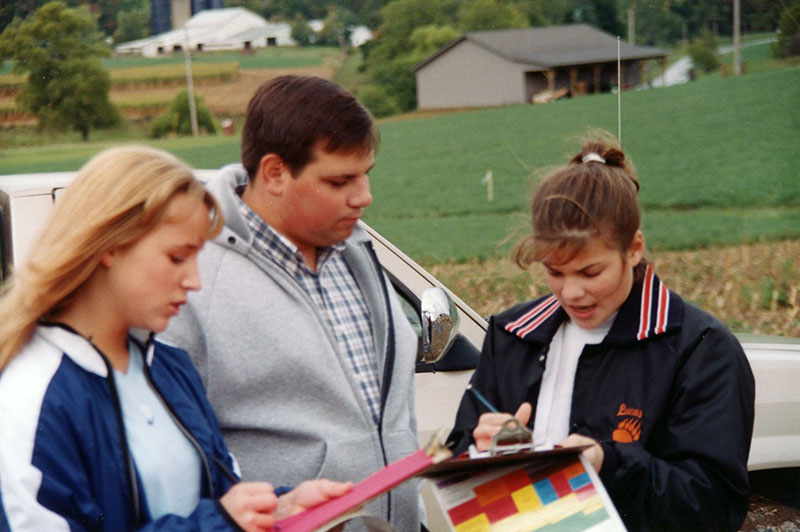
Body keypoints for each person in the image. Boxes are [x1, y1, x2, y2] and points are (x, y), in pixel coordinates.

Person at [0, 146, 350, 531]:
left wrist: (280, 510)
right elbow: (216, 520)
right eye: (177, 257)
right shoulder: (27, 397)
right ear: (111, 246)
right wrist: (218, 524)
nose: (194, 281)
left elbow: (222, 500)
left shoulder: (170, 366)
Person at [447, 136, 755, 532]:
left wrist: (606, 463)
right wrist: (477, 451)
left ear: (633, 249)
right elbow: (459, 467)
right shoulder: (511, 335)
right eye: (554, 272)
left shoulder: (701, 348)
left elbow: (714, 506)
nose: (571, 293)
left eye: (591, 273)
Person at [160, 76, 421, 530]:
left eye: (365, 174)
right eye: (340, 180)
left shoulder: (357, 250)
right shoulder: (192, 279)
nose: (364, 197)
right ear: (275, 173)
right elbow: (176, 459)